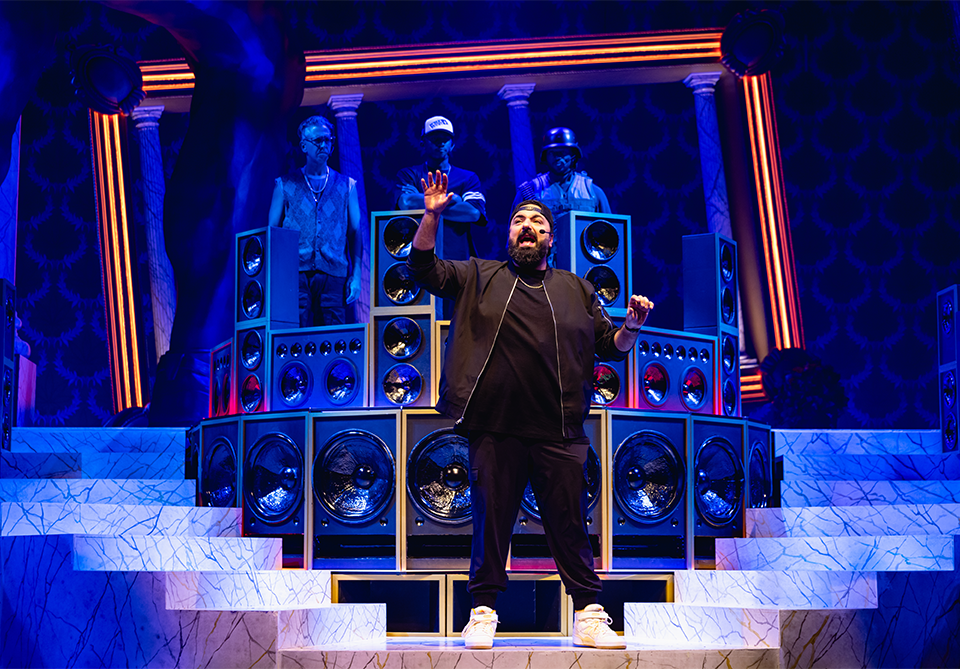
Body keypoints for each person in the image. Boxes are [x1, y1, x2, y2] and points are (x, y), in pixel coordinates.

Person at [407, 171, 654, 650]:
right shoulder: (479, 274)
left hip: (559, 429)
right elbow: (423, 269)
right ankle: (482, 613)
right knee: (491, 522)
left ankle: (589, 614)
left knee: (569, 523)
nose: (526, 227)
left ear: (550, 239)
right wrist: (431, 215)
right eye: (518, 220)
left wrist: (632, 327)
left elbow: (611, 346)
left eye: (536, 224)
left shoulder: (578, 289)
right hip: (495, 425)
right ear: (508, 233)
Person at [269, 116, 362, 326]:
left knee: (331, 340)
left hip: (334, 273)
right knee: (293, 335)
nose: (323, 145)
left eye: (327, 140)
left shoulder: (347, 185)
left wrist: (356, 276)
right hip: (295, 274)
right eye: (317, 141)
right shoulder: (284, 185)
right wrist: (276, 276)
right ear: (304, 145)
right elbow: (272, 234)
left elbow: (355, 233)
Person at [395, 115, 487, 261]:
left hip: (458, 258)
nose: (440, 143)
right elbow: (406, 203)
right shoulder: (410, 174)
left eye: (445, 138)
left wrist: (425, 203)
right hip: (419, 255)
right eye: (434, 138)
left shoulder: (468, 178)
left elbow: (474, 213)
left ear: (453, 144)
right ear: (422, 142)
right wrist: (454, 199)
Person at [514, 126, 612, 219]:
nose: (557, 157)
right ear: (545, 157)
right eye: (552, 153)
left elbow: (609, 231)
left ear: (573, 156)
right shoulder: (531, 191)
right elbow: (515, 231)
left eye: (563, 152)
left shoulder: (592, 192)